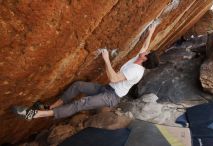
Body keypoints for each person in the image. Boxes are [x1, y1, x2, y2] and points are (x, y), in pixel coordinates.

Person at [13, 22, 159, 120]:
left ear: (145, 59)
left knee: (80, 103)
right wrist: (152, 29)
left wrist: (106, 59)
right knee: (78, 85)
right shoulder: (138, 59)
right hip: (107, 88)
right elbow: (145, 46)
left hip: (111, 97)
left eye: (147, 54)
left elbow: (114, 78)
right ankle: (51, 106)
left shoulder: (136, 70)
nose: (145, 51)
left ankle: (34, 114)